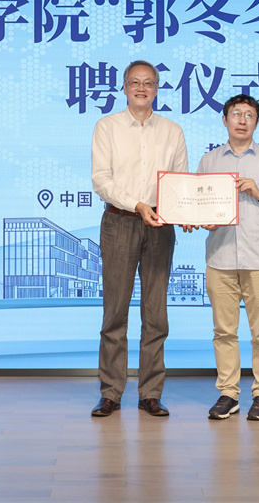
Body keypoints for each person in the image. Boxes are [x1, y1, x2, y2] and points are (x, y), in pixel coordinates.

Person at [90, 60, 188, 417]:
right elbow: (101, 180)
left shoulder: (172, 131)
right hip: (120, 221)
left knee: (156, 313)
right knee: (114, 312)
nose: (141, 88)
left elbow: (179, 182)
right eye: (135, 82)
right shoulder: (107, 127)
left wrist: (186, 213)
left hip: (160, 226)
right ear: (124, 87)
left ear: (157, 88)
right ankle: (111, 393)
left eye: (148, 83)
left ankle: (150, 393)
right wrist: (137, 205)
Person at [189, 94, 259, 421]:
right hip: (220, 256)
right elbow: (198, 205)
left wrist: (258, 193)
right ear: (225, 120)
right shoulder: (210, 161)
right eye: (236, 114)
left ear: (257, 122)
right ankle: (228, 394)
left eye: (249, 115)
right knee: (224, 332)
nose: (242, 120)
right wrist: (202, 220)